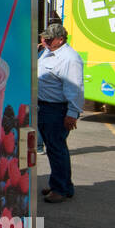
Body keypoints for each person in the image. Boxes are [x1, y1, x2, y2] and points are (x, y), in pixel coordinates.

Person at [36, 22, 84, 203]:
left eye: (48, 39)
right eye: (43, 37)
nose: (44, 41)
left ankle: (60, 189)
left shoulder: (70, 58)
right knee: (54, 148)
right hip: (44, 107)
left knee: (56, 149)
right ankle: (62, 184)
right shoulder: (48, 51)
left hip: (56, 109)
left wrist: (72, 113)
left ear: (60, 39)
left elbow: (75, 88)